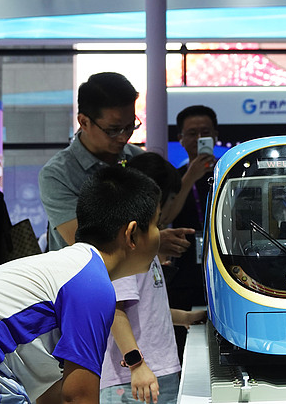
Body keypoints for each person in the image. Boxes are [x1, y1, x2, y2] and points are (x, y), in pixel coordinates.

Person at [0, 165, 161, 404]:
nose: (162, 234)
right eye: (159, 223)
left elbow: (51, 394)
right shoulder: (92, 285)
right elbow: (78, 398)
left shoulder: (72, 268)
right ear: (132, 234)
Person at [38, 72, 191, 258]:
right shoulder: (58, 174)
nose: (124, 136)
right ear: (84, 122)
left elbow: (161, 217)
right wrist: (152, 243)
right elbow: (84, 243)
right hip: (82, 282)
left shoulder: (138, 158)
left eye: (130, 126)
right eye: (113, 130)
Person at [100, 153, 206, 404]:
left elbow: (147, 310)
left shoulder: (146, 248)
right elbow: (114, 311)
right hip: (134, 379)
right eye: (169, 199)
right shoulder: (127, 247)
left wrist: (187, 318)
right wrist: (136, 365)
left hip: (156, 371)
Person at [166, 105, 218, 357]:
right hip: (185, 269)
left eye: (205, 133)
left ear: (215, 136)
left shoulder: (230, 172)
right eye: (191, 133)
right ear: (181, 139)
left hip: (223, 265)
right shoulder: (173, 178)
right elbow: (166, 217)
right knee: (183, 342)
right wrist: (188, 178)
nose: (198, 139)